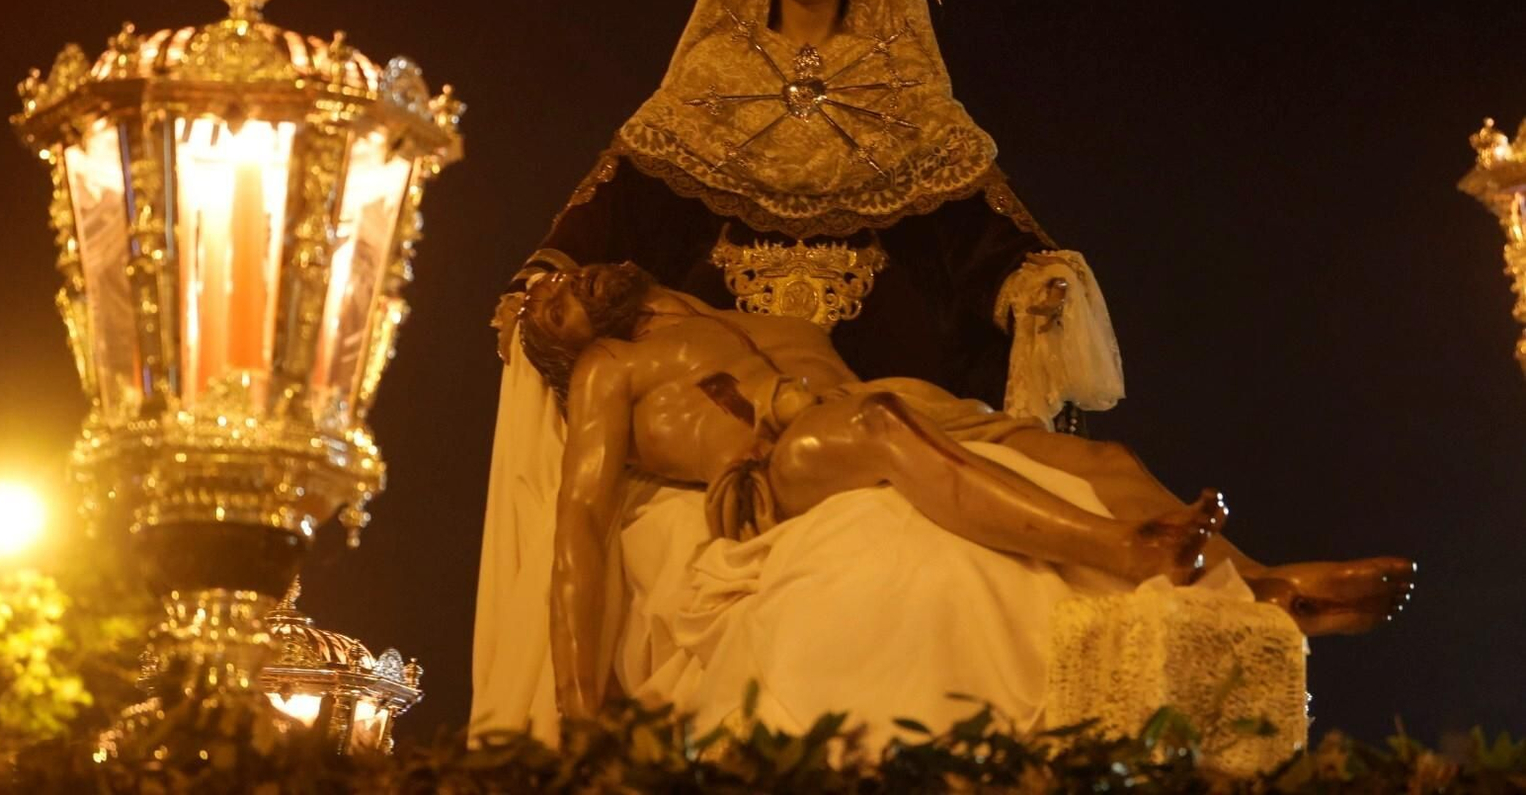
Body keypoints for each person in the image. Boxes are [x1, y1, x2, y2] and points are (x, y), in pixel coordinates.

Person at [518, 262, 1417, 719]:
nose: (569, 289)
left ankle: (1265, 587)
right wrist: (579, 711)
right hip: (777, 459)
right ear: (563, 351)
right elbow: (578, 530)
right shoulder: (607, 367)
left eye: (566, 281)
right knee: (880, 432)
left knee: (1101, 461)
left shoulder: (689, 314)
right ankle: (1124, 550)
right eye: (551, 306)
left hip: (864, 406)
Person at [498, 0, 1121, 427]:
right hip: (717, 357)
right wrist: (549, 274)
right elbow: (631, 196)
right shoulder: (714, 70)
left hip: (880, 359)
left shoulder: (899, 82)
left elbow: (966, 223)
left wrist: (1029, 280)